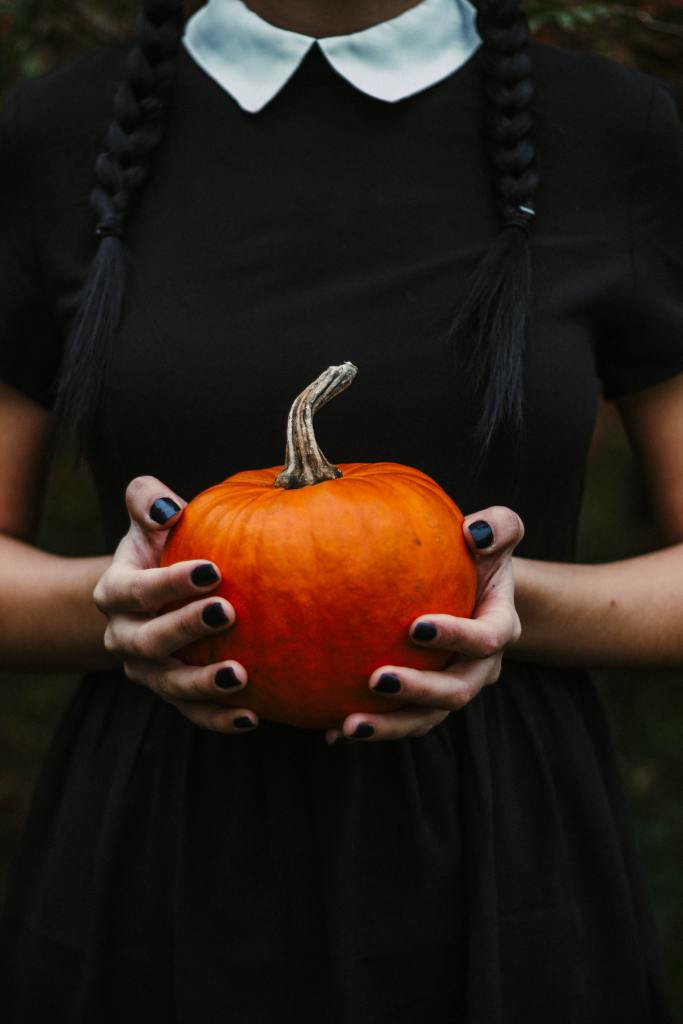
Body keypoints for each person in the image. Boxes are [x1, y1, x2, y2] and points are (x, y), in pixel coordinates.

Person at [0, 0, 681, 1020]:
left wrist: (502, 602)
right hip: (160, 846)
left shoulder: (610, 128)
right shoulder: (55, 132)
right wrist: (119, 609)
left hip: (504, 847)